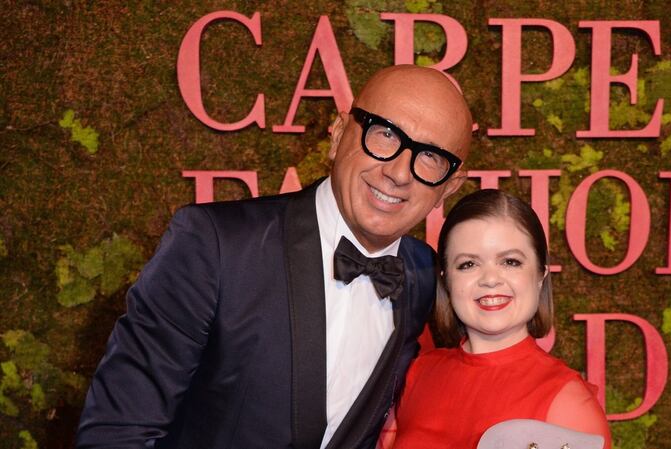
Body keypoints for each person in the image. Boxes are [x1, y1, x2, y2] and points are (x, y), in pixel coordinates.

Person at [76, 65, 473, 449]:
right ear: (338, 134)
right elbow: (117, 432)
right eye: (385, 134)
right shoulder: (216, 245)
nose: (399, 173)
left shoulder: (422, 272)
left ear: (449, 187)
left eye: (430, 157)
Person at [388, 189, 611, 449]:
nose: (490, 279)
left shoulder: (568, 404)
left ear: (540, 275)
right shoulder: (419, 373)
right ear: (446, 280)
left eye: (510, 262)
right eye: (468, 264)